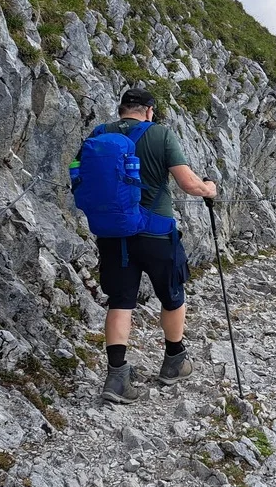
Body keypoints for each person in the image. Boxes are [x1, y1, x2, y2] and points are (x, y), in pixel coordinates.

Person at [87, 88, 217, 404]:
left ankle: (116, 377)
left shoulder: (99, 134)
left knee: (120, 301)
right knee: (172, 295)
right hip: (156, 233)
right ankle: (174, 360)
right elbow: (188, 183)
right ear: (148, 111)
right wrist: (209, 189)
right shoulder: (160, 134)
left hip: (114, 234)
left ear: (121, 109)